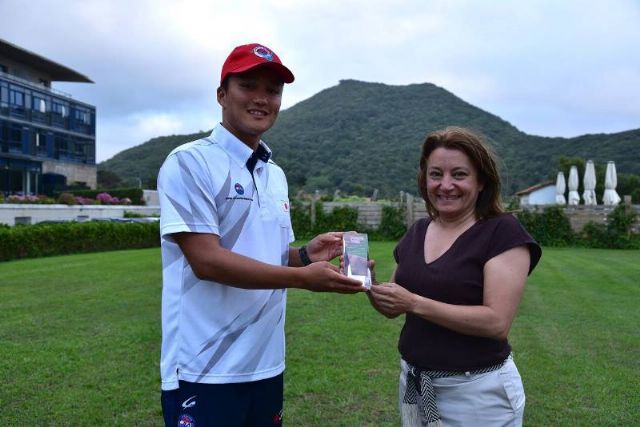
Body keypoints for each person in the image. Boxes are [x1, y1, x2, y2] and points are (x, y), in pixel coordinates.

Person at [157, 43, 364, 427]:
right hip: (205, 367)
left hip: (266, 364)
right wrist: (302, 279)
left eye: (272, 90)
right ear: (222, 94)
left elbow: (267, 254)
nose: (261, 98)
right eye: (248, 85)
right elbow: (207, 260)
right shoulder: (189, 162)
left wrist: (305, 255)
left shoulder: (275, 174)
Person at [368, 126, 542, 426]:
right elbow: (393, 307)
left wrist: (414, 303)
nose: (445, 185)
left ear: (482, 181)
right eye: (436, 174)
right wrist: (369, 285)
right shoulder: (418, 231)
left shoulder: (502, 232)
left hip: (477, 396)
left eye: (459, 175)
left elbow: (496, 323)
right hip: (415, 383)